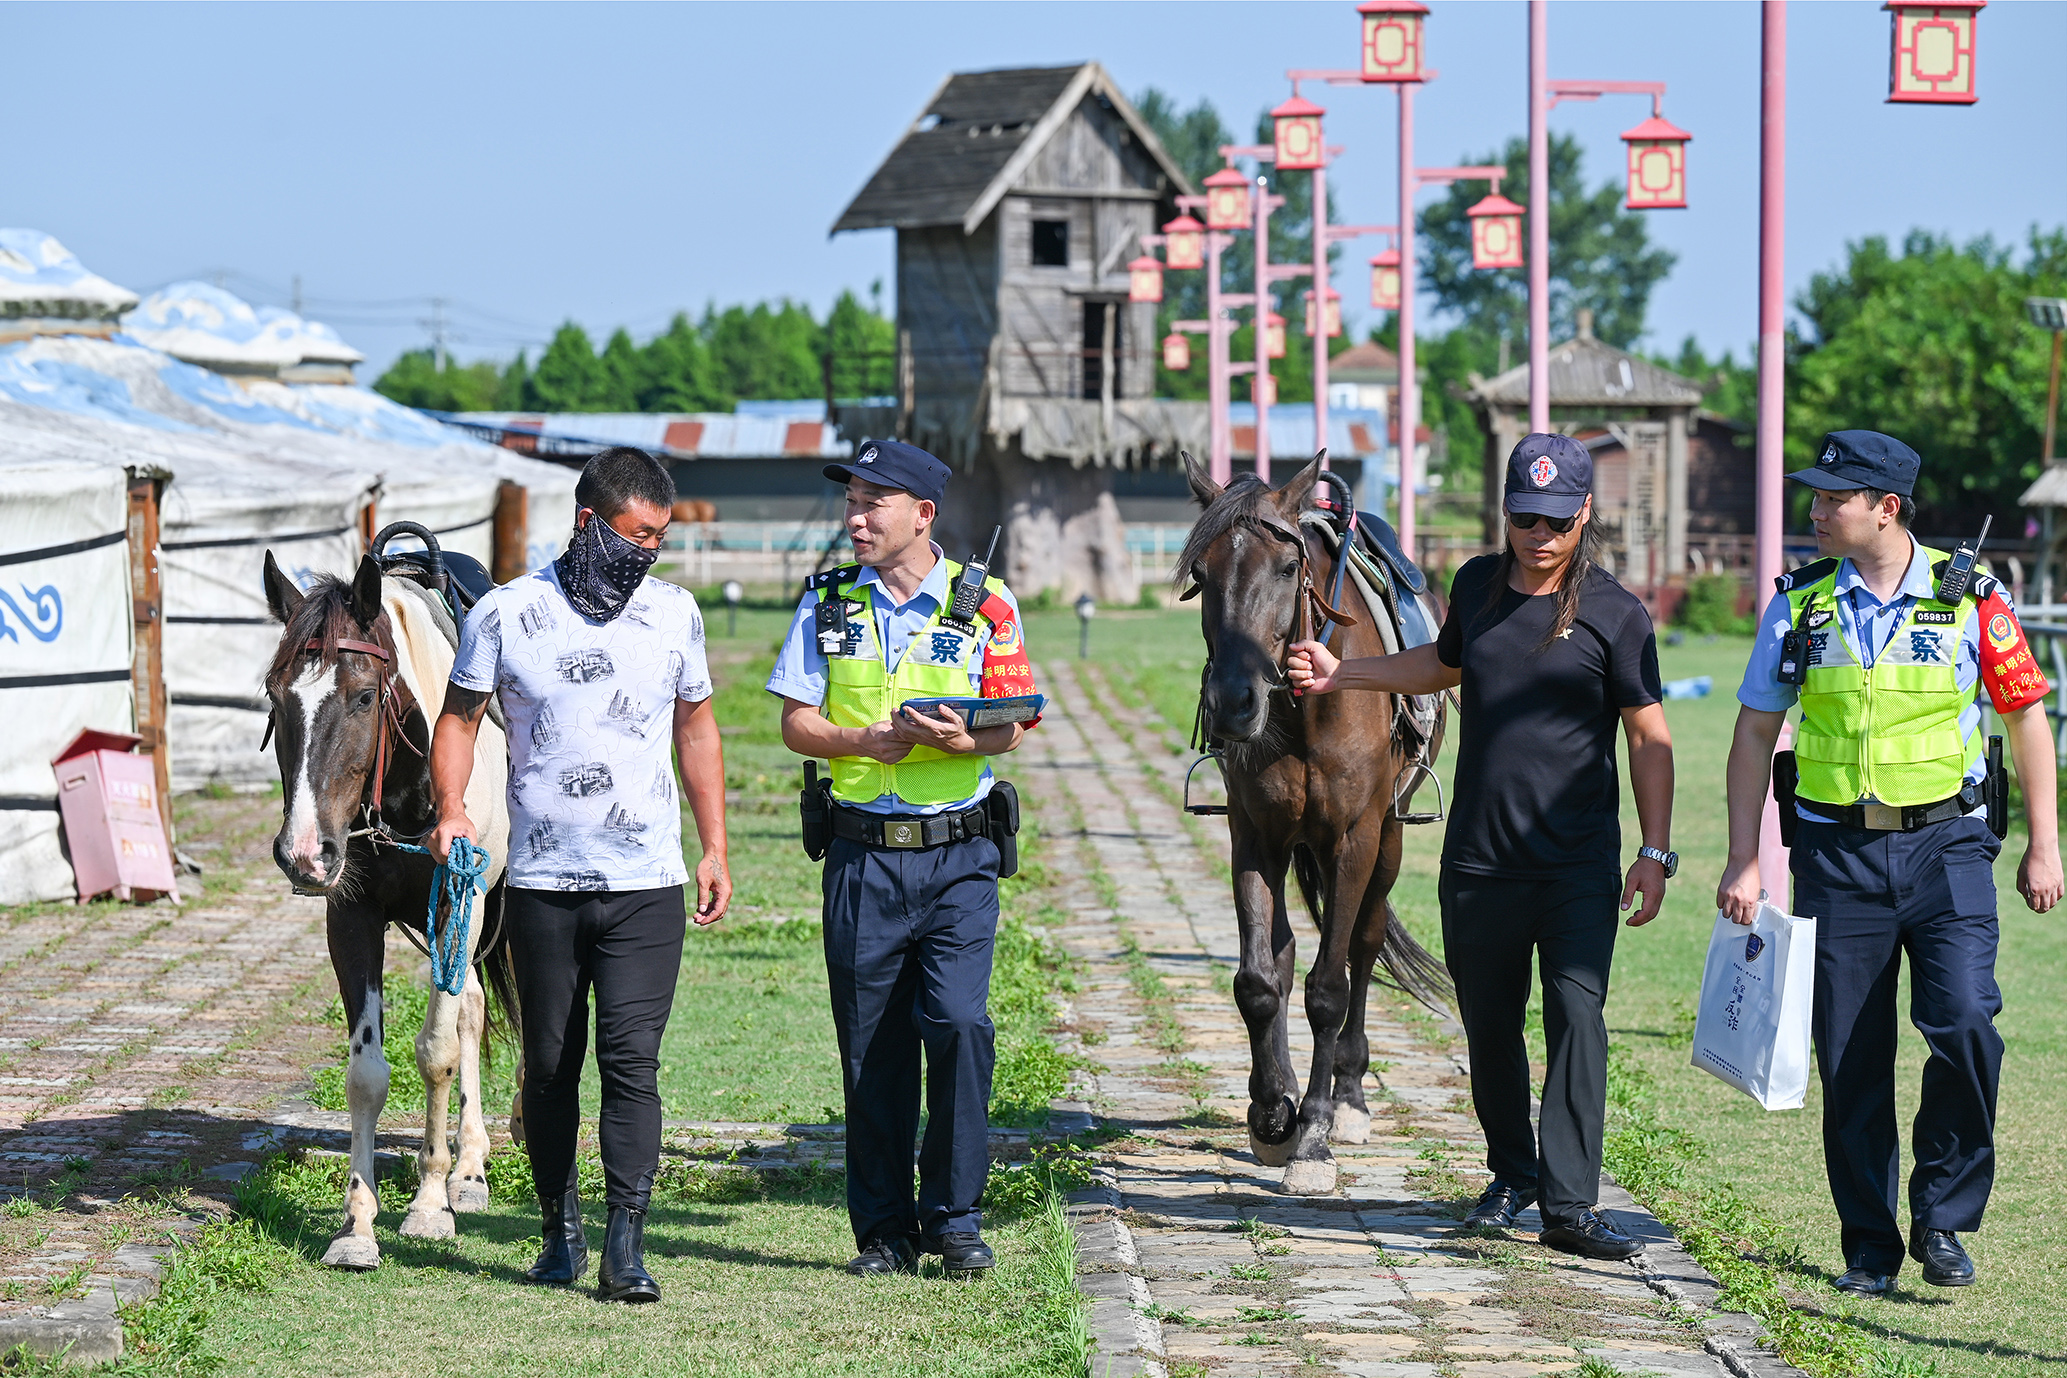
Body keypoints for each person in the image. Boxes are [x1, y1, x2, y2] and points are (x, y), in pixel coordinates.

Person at [1290, 433, 1675, 1261]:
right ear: (1505, 511)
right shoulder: (1475, 585)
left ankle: (1569, 1205)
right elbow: (1443, 664)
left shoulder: (1614, 612)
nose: (1540, 535)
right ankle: (1512, 1174)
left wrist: (1654, 852)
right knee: (1489, 1025)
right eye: (1525, 518)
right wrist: (1339, 674)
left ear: (1584, 515)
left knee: (1576, 1017)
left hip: (1575, 864)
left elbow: (1649, 736)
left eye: (1557, 521)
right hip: (1478, 859)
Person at [1716, 430, 2060, 1298]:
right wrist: (1743, 858)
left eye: (1833, 498)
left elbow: (2024, 718)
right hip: (1835, 855)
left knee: (1967, 1024)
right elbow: (1755, 731)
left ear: (1885, 508)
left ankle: (1941, 1218)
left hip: (1948, 849)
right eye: (1816, 496)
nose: (1815, 511)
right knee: (1849, 1056)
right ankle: (1869, 1245)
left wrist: (2043, 844)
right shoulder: (1797, 603)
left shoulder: (1970, 595)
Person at [429, 445, 731, 1304]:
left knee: (632, 1064)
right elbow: (459, 720)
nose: (650, 553)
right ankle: (558, 1232)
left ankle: (625, 1245)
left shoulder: (674, 613)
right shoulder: (505, 613)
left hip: (645, 886)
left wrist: (714, 845)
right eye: (638, 535)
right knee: (550, 1065)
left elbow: (697, 729)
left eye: (661, 538)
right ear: (589, 523)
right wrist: (451, 807)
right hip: (540, 886)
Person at [766, 439, 1037, 1278]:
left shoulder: (984, 602)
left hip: (959, 855)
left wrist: (970, 739)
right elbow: (795, 722)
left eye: (871, 503)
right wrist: (861, 741)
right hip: (861, 858)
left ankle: (955, 1219)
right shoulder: (826, 601)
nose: (854, 518)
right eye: (850, 502)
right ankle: (883, 1232)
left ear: (922, 514)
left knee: (957, 1025)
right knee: (871, 1048)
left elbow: (1014, 720)